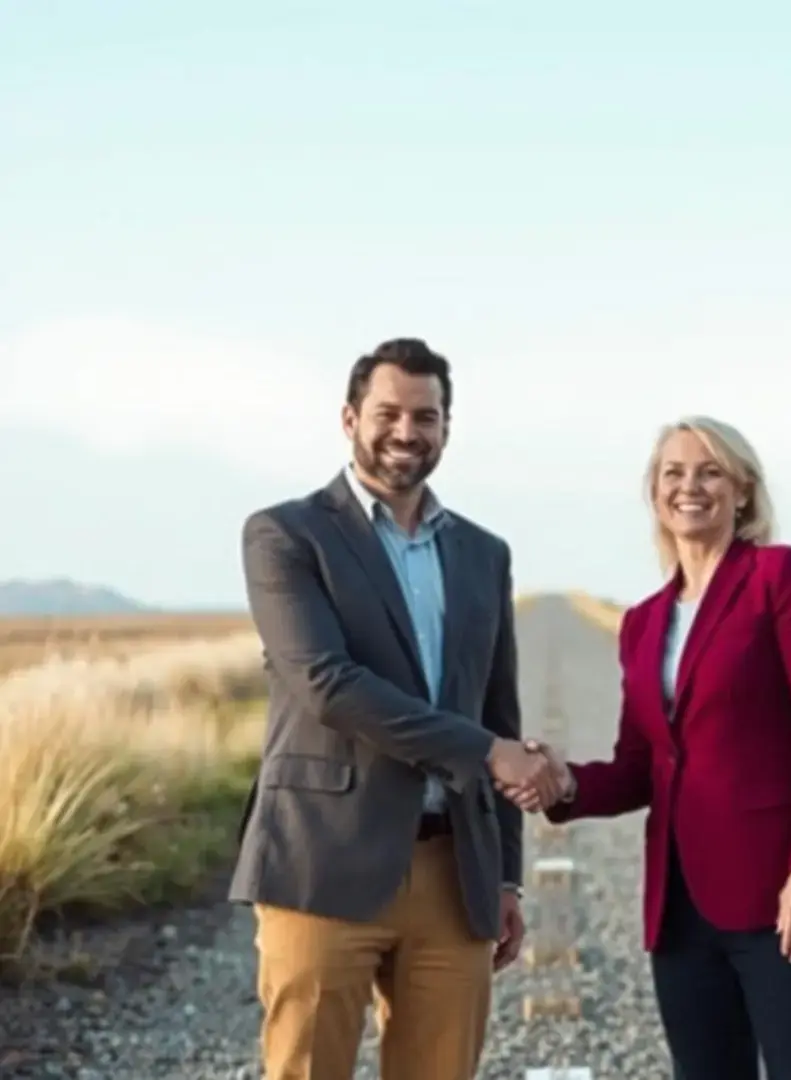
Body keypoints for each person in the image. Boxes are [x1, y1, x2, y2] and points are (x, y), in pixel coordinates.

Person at [500, 415, 791, 1080]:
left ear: (742, 492)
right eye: (674, 472)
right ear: (655, 491)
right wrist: (564, 785)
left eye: (710, 472)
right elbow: (642, 765)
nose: (690, 486)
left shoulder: (779, 576)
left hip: (780, 894)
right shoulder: (643, 622)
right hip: (679, 910)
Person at [230, 338, 562, 1080]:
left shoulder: (484, 553)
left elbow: (497, 711)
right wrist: (483, 751)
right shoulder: (286, 534)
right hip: (324, 861)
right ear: (349, 419)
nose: (407, 432)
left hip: (454, 873)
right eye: (388, 413)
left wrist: (505, 877)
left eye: (426, 416)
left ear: (447, 427)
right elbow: (327, 682)